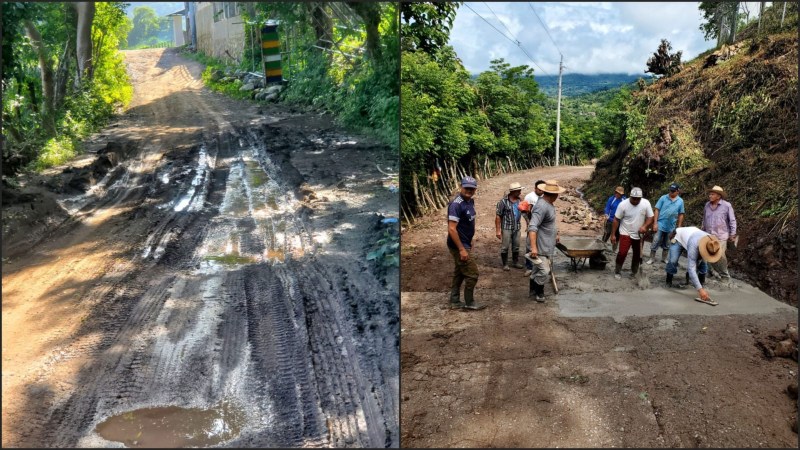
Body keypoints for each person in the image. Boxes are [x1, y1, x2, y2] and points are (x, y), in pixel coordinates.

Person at [447, 176, 486, 310]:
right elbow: (452, 229)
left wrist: (468, 243)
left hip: (465, 243)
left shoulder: (469, 201)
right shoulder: (456, 205)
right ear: (461, 187)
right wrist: (462, 249)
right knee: (472, 273)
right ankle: (469, 302)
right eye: (466, 187)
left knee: (459, 272)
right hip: (458, 245)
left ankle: (454, 300)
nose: (469, 190)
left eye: (472, 188)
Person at [664, 226, 725, 302]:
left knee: (703, 262)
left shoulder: (711, 241)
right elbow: (691, 268)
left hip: (692, 235)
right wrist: (700, 290)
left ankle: (700, 283)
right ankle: (668, 280)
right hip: (678, 238)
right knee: (673, 260)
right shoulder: (694, 245)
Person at [527, 180, 565, 302]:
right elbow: (532, 227)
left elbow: (550, 222)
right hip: (541, 245)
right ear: (552, 194)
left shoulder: (549, 204)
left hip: (548, 243)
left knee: (537, 268)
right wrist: (534, 248)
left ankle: (532, 290)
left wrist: (556, 233)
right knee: (544, 270)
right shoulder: (542, 206)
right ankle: (539, 292)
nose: (558, 196)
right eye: (557, 194)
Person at [610, 187, 654, 279]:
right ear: (630, 196)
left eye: (638, 199)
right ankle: (617, 271)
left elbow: (650, 218)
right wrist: (613, 234)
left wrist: (645, 226)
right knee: (622, 253)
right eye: (633, 198)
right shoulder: (623, 205)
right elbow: (616, 219)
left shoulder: (646, 203)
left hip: (639, 234)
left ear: (641, 198)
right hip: (625, 232)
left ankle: (634, 272)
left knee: (637, 254)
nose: (635, 201)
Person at [701, 185, 737, 279]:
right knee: (708, 255)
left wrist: (733, 234)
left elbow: (732, 220)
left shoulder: (726, 206)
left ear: (718, 196)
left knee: (720, 256)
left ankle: (725, 275)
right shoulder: (707, 205)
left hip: (721, 236)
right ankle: (710, 272)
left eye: (712, 194)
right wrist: (702, 231)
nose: (710, 196)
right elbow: (704, 219)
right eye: (710, 194)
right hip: (708, 235)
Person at [647, 182, 685, 265]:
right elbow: (657, 209)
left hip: (671, 225)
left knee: (668, 243)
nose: (671, 192)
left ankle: (664, 258)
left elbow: (681, 214)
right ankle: (651, 258)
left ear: (677, 191)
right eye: (670, 191)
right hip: (660, 223)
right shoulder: (663, 198)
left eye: (673, 191)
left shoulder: (680, 201)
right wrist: (655, 223)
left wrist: (679, 227)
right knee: (655, 240)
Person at [495, 182, 525, 271]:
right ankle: (505, 264)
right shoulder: (502, 202)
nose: (520, 192)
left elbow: (524, 213)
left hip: (517, 227)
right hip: (506, 227)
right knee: (505, 247)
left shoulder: (520, 201)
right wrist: (498, 231)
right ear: (513, 191)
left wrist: (528, 223)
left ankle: (515, 262)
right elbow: (498, 216)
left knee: (516, 246)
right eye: (518, 191)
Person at [522, 180, 546, 276]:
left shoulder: (545, 197)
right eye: (539, 189)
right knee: (529, 245)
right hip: (532, 224)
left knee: (540, 244)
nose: (541, 191)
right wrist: (528, 223)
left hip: (542, 226)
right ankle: (529, 267)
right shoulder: (529, 197)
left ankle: (539, 265)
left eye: (542, 189)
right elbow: (524, 211)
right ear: (535, 188)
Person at [602, 186, 627, 252]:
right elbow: (607, 208)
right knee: (607, 233)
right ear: (615, 192)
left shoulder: (624, 200)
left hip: (619, 221)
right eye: (618, 193)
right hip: (610, 219)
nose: (618, 195)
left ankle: (614, 249)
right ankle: (602, 246)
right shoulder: (611, 199)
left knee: (617, 235)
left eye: (620, 194)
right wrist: (607, 214)